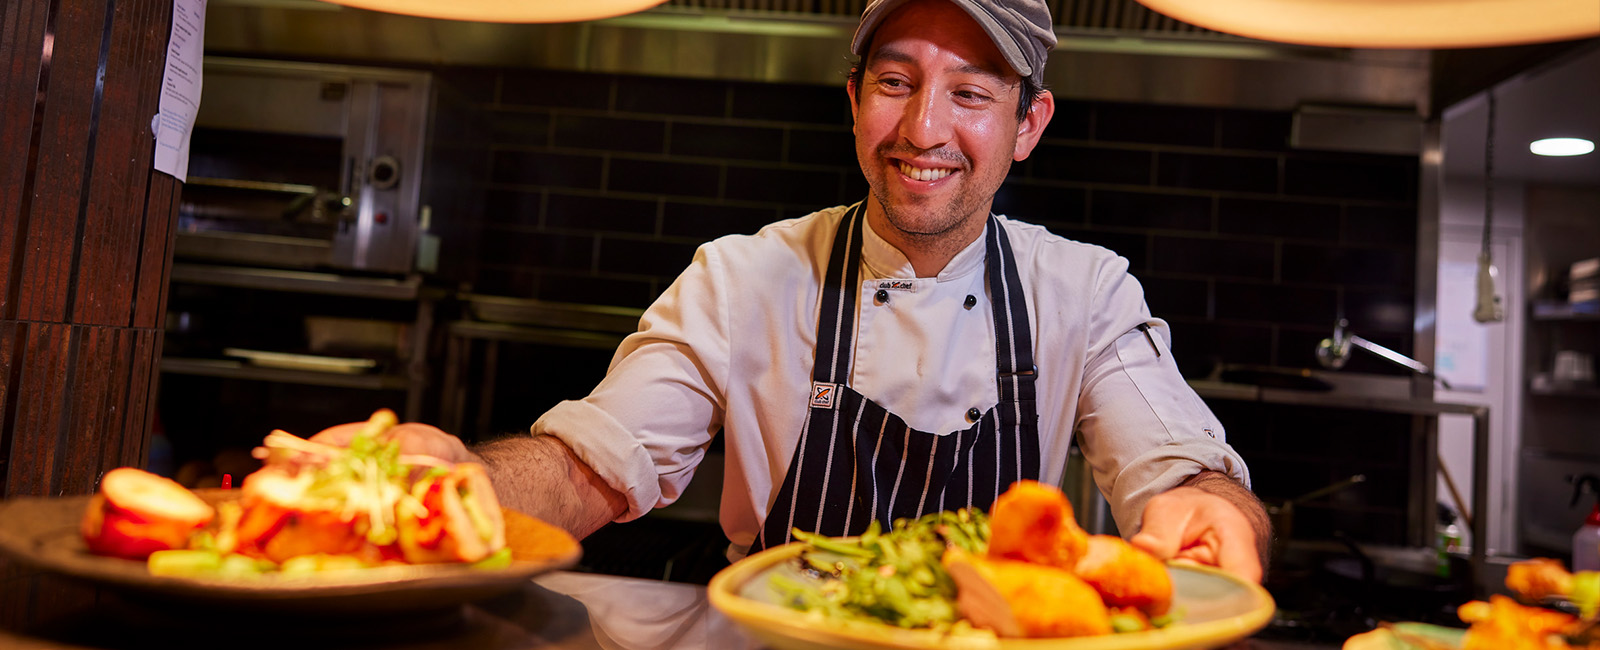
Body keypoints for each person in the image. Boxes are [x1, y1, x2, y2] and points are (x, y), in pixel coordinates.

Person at [318, 0, 1271, 582]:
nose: (924, 127)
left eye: (971, 94)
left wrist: (1217, 516)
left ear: (1029, 125)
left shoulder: (1086, 289)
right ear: (854, 102)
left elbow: (1179, 468)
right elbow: (590, 467)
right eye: (895, 83)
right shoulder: (744, 276)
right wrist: (459, 487)